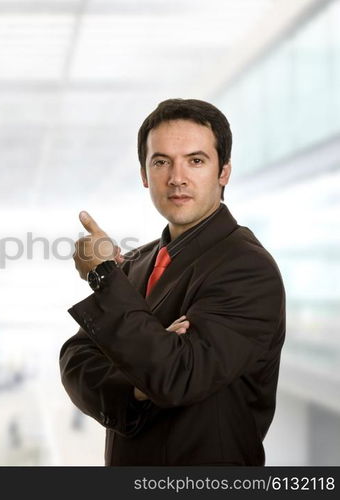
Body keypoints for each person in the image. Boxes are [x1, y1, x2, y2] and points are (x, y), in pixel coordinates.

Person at [60, 98, 285, 465]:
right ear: (145, 175)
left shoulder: (248, 269)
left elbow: (176, 376)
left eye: (195, 161)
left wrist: (103, 276)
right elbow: (75, 360)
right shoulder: (135, 263)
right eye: (161, 161)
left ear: (223, 172)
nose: (176, 177)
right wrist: (137, 387)